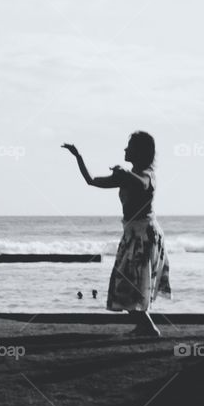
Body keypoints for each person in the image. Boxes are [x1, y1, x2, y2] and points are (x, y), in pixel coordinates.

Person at [63, 132, 171, 337]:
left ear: (140, 151)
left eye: (129, 146)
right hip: (132, 233)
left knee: (129, 282)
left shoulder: (147, 174)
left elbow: (143, 184)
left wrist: (126, 173)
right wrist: (78, 157)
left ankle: (148, 328)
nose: (125, 149)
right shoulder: (127, 176)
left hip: (144, 235)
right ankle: (145, 326)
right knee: (125, 283)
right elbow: (91, 181)